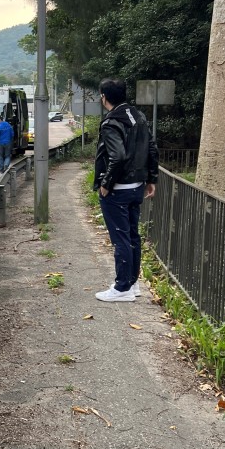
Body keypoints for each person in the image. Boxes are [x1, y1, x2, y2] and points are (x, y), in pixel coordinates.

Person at [93, 78, 159, 302]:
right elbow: (151, 146)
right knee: (132, 236)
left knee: (120, 238)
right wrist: (151, 178)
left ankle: (122, 288)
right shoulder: (138, 116)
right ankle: (132, 283)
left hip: (118, 190)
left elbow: (117, 156)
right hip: (136, 186)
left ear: (104, 97)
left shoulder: (112, 122)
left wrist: (106, 184)